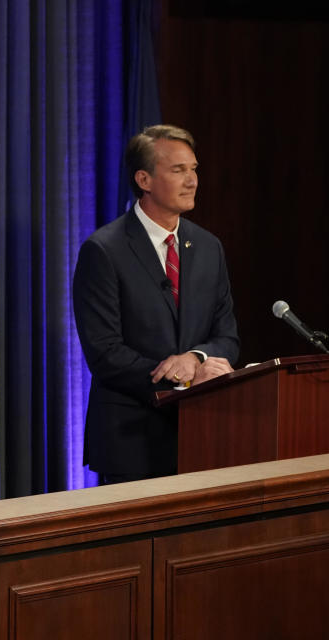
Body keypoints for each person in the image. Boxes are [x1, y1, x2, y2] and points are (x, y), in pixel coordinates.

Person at [72, 125, 239, 484]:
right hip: (132, 442)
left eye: (194, 169)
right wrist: (181, 377)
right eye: (178, 170)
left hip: (206, 437)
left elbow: (227, 336)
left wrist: (196, 358)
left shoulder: (208, 247)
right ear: (144, 179)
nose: (192, 180)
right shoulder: (104, 250)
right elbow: (104, 352)